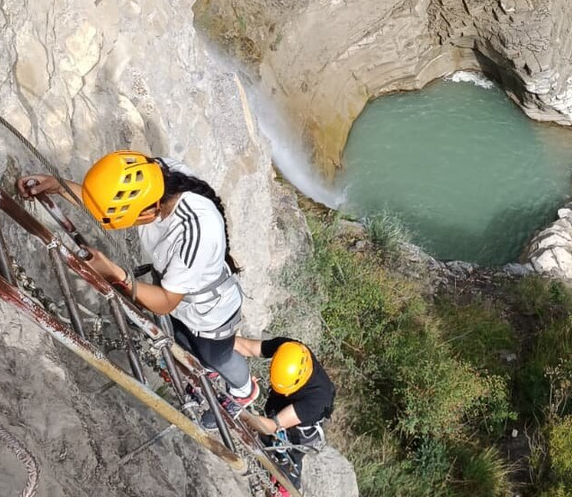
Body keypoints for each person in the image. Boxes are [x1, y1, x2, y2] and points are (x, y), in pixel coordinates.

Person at [19, 151, 259, 418]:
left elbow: (166, 302)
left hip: (209, 313)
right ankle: (206, 369)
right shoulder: (156, 177)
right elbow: (106, 202)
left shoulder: (195, 232)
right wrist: (58, 186)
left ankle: (244, 391)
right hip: (179, 292)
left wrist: (114, 273)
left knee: (216, 356)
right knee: (182, 341)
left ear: (147, 212)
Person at [232, 335, 335, 491]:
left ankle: (288, 488)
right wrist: (218, 341)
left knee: (286, 460)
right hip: (281, 405)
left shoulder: (317, 398)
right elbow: (248, 347)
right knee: (266, 438)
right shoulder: (288, 350)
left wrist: (240, 412)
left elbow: (273, 426)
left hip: (300, 429)